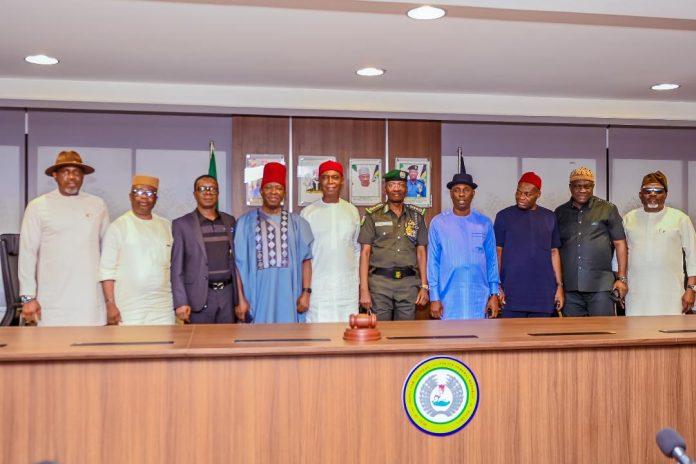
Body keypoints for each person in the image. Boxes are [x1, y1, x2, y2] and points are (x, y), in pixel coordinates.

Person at [18, 150, 110, 326]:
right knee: (52, 344)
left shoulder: (98, 205)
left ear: (83, 176)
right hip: (51, 302)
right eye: (65, 172)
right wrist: (28, 297)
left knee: (92, 343)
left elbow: (108, 253)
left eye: (76, 172)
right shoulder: (38, 206)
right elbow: (28, 252)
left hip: (90, 301)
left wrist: (110, 300)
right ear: (55, 175)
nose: (72, 177)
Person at [235, 162, 314, 323]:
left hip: (289, 299)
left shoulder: (297, 223)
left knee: (289, 336)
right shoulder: (245, 223)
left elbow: (306, 261)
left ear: (284, 192)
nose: (273, 192)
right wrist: (240, 299)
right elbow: (237, 265)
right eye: (269, 187)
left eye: (278, 188)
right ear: (261, 191)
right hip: (257, 298)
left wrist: (306, 293)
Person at [98, 175, 174, 325]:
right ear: (130, 196)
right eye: (139, 192)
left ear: (156, 198)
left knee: (164, 340)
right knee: (131, 341)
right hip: (129, 307)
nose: (144, 197)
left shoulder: (166, 226)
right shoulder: (118, 226)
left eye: (150, 193)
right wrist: (110, 304)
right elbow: (107, 270)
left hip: (162, 306)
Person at [428, 166, 500, 320]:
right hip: (448, 298)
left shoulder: (484, 223)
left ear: (473, 193)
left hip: (479, 298)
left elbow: (492, 260)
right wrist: (434, 297)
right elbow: (433, 262)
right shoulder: (438, 223)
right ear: (451, 193)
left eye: (466, 190)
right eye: (456, 190)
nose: (461, 194)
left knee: (480, 334)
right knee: (449, 335)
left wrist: (494, 294)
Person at [555, 167, 628, 316]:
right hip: (570, 288)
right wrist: (559, 285)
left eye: (587, 186)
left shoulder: (607, 209)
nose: (582, 190)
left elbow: (620, 243)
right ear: (570, 187)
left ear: (593, 187)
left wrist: (621, 278)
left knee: (603, 329)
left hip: (601, 287)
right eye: (578, 186)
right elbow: (555, 249)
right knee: (573, 330)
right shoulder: (560, 212)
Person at [358, 169, 429, 321]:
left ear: (406, 189)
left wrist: (424, 286)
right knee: (380, 331)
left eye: (400, 185)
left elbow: (421, 252)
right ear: (385, 189)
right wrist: (364, 289)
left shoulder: (417, 216)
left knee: (405, 332)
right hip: (379, 284)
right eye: (392, 185)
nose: (396, 189)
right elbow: (365, 253)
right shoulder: (373, 215)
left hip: (408, 285)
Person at [623, 171, 696, 315]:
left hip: (671, 295)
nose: (653, 194)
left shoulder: (681, 219)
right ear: (640, 194)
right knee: (635, 328)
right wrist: (622, 283)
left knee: (671, 329)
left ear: (665, 194)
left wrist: (691, 289)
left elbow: (692, 256)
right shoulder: (628, 219)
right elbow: (619, 258)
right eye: (647, 191)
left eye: (658, 191)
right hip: (636, 294)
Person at [171, 175, 241, 324]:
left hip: (227, 296)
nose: (208, 192)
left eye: (213, 189)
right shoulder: (182, 224)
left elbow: (236, 262)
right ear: (195, 194)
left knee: (228, 338)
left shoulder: (230, 221)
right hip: (198, 297)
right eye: (202, 189)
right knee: (199, 339)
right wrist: (180, 301)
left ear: (218, 193)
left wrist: (239, 299)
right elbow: (176, 268)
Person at [493, 172, 563, 318]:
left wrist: (559, 286)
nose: (521, 197)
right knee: (512, 333)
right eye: (518, 192)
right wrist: (497, 285)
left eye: (527, 194)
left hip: (543, 294)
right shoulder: (504, 216)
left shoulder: (549, 217)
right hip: (511, 293)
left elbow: (554, 252)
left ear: (538, 194)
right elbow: (498, 252)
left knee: (541, 333)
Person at [301, 161, 361, 322]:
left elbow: (356, 249)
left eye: (335, 177)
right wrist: (305, 290)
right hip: (318, 290)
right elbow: (304, 256)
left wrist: (360, 286)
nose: (330, 182)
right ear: (319, 181)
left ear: (342, 181)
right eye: (325, 177)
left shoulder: (352, 211)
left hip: (347, 290)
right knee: (318, 334)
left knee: (347, 332)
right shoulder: (307, 213)